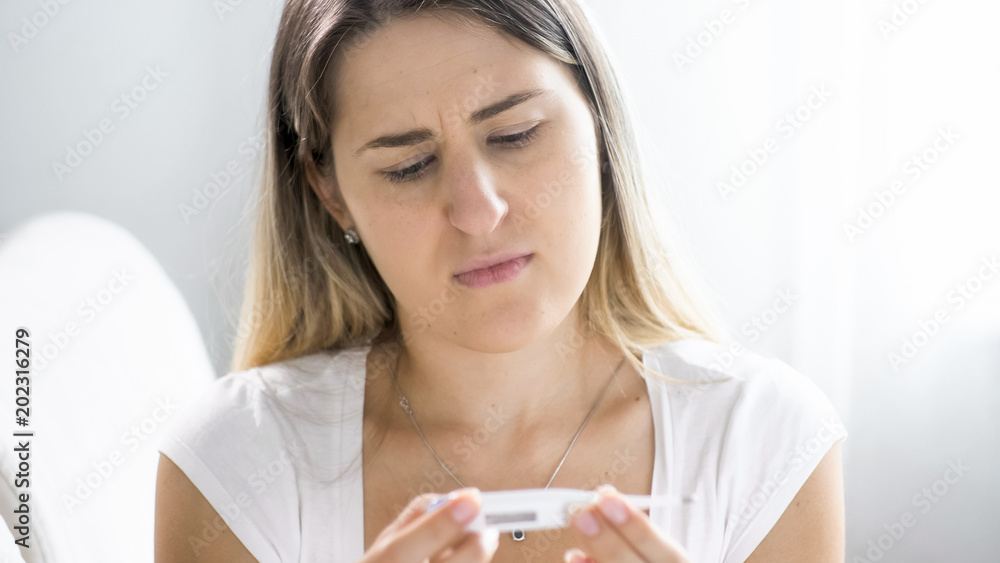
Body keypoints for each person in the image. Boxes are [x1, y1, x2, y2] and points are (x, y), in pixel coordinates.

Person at [154, 0, 848, 561]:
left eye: (516, 134)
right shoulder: (236, 468)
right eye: (408, 166)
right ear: (331, 193)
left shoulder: (765, 442)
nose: (477, 212)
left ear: (599, 126)